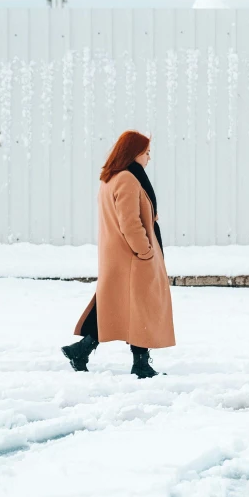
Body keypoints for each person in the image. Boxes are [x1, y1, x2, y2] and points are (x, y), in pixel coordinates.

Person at [61, 130, 176, 378]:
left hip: (120, 257)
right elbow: (130, 223)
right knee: (141, 308)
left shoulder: (111, 178)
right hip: (132, 258)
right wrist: (145, 251)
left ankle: (81, 350)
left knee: (117, 309)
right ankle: (141, 365)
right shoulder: (127, 179)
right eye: (146, 153)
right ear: (134, 153)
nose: (149, 158)